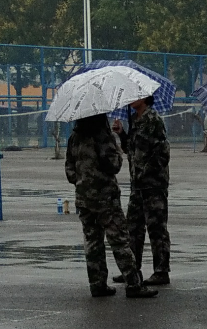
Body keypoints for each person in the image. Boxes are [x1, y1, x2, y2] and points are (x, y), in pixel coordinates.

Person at [64, 113, 157, 300]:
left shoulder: (75, 136)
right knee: (119, 240)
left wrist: (83, 181)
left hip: (83, 198)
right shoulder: (102, 136)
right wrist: (117, 152)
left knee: (92, 241)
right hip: (105, 197)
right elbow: (113, 165)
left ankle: (97, 284)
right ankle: (133, 283)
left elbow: (69, 171)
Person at [123, 96, 172, 284]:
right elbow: (131, 150)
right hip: (137, 185)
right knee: (133, 227)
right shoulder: (135, 120)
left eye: (135, 96)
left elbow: (162, 153)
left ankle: (161, 271)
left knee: (156, 227)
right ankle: (133, 269)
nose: (131, 99)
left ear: (145, 98)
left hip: (153, 184)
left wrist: (147, 172)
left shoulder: (153, 120)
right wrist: (122, 134)